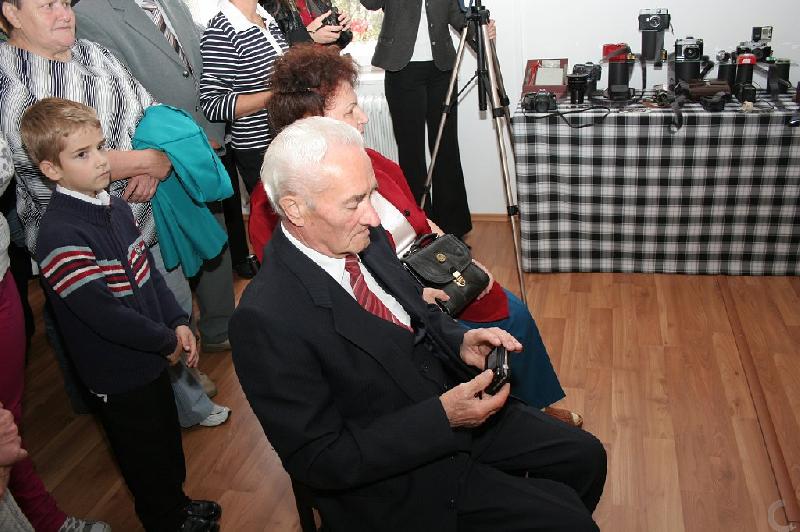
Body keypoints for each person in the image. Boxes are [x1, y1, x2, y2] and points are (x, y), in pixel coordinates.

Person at [230, 116, 606, 531]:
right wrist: (443, 418)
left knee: (585, 457)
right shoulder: (265, 318)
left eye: (371, 194)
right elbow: (321, 459)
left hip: (453, 408)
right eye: (354, 202)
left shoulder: (361, 237)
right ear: (294, 209)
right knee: (569, 521)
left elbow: (417, 312)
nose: (374, 217)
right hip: (399, 474)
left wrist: (459, 341)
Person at [250, 44, 581, 424]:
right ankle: (510, 419)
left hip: (430, 268)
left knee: (511, 311)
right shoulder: (275, 205)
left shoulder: (373, 162)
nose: (362, 118)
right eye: (349, 111)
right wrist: (409, 295)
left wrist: (464, 262)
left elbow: (423, 222)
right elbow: (319, 293)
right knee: (496, 332)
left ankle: (533, 408)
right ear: (311, 122)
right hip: (398, 303)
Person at [0, 0, 230, 428]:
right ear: (11, 13)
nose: (64, 13)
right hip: (85, 243)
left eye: (64, 3)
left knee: (173, 307)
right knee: (124, 336)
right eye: (47, 5)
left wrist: (155, 160)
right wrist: (148, 161)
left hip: (145, 216)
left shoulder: (93, 51)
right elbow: (51, 163)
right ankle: (158, 419)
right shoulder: (9, 81)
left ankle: (186, 403)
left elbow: (149, 111)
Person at [21, 98, 222, 532]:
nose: (100, 160)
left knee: (165, 440)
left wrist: (177, 320)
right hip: (117, 372)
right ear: (50, 169)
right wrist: (163, 340)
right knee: (143, 455)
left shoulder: (113, 208)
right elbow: (105, 315)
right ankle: (164, 519)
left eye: (100, 147)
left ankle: (178, 504)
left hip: (150, 357)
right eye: (82, 154)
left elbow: (148, 273)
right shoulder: (60, 234)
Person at [73, 0, 247, 345]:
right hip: (154, 154)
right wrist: (151, 156)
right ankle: (182, 347)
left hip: (201, 138)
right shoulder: (87, 14)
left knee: (213, 231)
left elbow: (195, 62)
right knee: (171, 260)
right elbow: (117, 99)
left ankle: (221, 328)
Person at [1, 136, 109, 532]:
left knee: (8, 420)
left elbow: (2, 166)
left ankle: (42, 518)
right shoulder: (59, 229)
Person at [360, 0, 490, 238]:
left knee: (446, 148)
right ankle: (423, 230)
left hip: (442, 70)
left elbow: (457, 15)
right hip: (402, 71)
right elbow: (370, 3)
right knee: (412, 153)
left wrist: (481, 33)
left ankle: (453, 230)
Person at [199, 0, 289, 194]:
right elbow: (212, 104)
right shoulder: (221, 30)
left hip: (285, 139)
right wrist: (277, 95)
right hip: (260, 150)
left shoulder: (266, 19)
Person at [259, 0, 351, 47]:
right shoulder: (267, 4)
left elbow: (338, 42)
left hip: (326, 68)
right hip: (298, 73)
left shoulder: (318, 2)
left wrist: (341, 28)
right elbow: (269, 49)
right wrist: (309, 36)